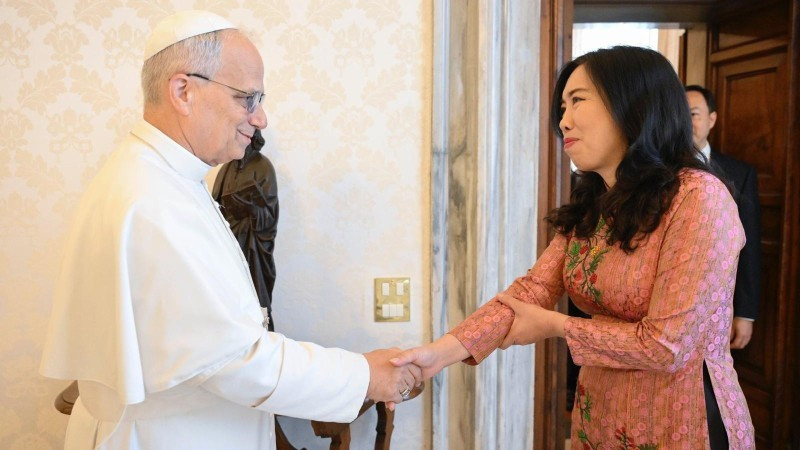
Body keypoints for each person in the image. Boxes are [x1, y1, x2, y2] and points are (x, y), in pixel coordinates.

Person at [40, 10, 419, 449]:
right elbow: (236, 361)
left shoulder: (164, 178)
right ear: (183, 91)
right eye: (248, 98)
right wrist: (365, 375)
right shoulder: (151, 199)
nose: (261, 119)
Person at [392, 46, 755, 448]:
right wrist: (435, 356)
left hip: (681, 420)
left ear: (634, 104)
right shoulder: (595, 202)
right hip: (601, 417)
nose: (563, 121)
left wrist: (555, 326)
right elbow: (530, 291)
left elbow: (667, 346)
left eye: (578, 100)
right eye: (562, 107)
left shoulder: (699, 197)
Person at [686, 85, 761, 350]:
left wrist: (745, 312)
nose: (687, 122)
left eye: (693, 114)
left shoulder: (740, 173)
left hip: (721, 302)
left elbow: (748, 245)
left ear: (712, 119)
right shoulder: (663, 170)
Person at [212, 128, 280, 331]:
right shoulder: (227, 167)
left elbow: (269, 215)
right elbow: (213, 203)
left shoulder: (263, 167)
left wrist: (250, 208)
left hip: (253, 246)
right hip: (228, 243)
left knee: (256, 296)